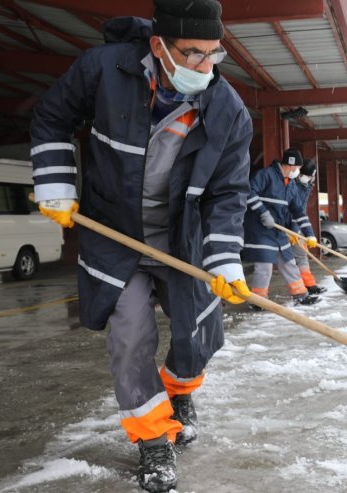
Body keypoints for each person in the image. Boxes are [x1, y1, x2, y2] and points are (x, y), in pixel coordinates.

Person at [30, 1, 252, 491]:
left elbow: (227, 193)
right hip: (117, 235)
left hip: (182, 240)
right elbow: (52, 117)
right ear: (158, 46)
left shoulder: (228, 109)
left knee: (198, 333)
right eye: (193, 54)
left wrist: (225, 260)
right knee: (130, 336)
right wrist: (57, 185)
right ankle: (154, 442)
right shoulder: (104, 69)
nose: (205, 68)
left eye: (214, 55)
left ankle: (180, 390)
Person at [243, 148, 320, 306]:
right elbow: (249, 192)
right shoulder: (266, 175)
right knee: (264, 265)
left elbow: (298, 211)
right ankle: (258, 300)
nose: (298, 171)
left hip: (278, 231)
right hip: (260, 230)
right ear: (291, 165)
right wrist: (263, 213)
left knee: (288, 261)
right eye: (298, 168)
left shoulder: (291, 185)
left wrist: (309, 234)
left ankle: (300, 294)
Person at [289, 159, 326, 295]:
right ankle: (305, 288)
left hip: (297, 225)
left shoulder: (306, 186)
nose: (308, 178)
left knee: (301, 255)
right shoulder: (292, 185)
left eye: (310, 176)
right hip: (288, 226)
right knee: (290, 259)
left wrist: (304, 230)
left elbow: (301, 211)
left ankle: (309, 285)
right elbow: (292, 209)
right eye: (306, 175)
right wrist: (293, 229)